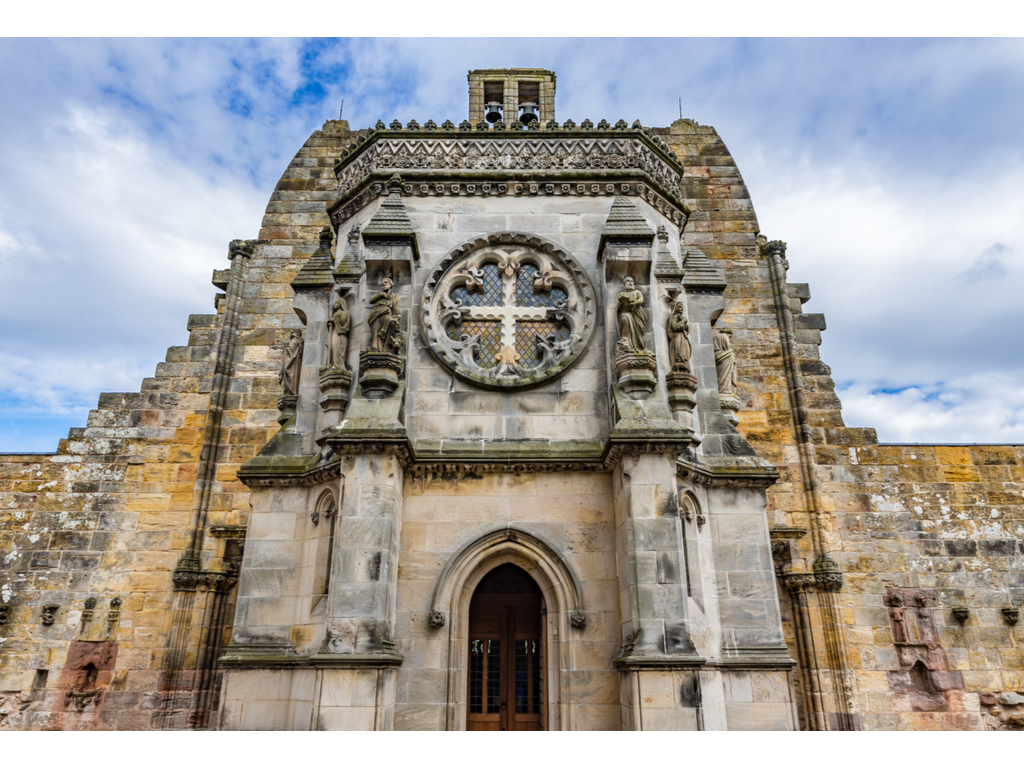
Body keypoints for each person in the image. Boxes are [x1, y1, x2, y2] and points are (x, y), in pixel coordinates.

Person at [368, 276, 402, 354]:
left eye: (385, 282)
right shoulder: (379, 295)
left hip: (387, 315)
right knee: (375, 331)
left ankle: (387, 347)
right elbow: (371, 300)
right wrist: (381, 295)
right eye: (382, 283)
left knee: (392, 323)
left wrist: (396, 317)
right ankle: (376, 349)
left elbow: (397, 310)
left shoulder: (394, 296)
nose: (383, 284)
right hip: (376, 315)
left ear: (390, 285)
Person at [616, 277, 649, 354]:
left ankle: (637, 346)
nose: (630, 283)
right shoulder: (622, 294)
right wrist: (622, 304)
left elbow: (641, 300)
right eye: (628, 281)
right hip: (626, 312)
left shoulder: (637, 292)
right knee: (625, 318)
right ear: (624, 284)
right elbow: (619, 306)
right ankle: (627, 341)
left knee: (637, 330)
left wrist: (634, 303)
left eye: (632, 281)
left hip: (637, 314)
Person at [325, 292, 351, 370]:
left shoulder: (345, 312)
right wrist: (329, 322)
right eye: (334, 303)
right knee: (332, 347)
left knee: (338, 348)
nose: (334, 304)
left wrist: (334, 319)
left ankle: (338, 366)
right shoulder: (334, 314)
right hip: (334, 332)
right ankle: (332, 364)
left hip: (340, 333)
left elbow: (344, 323)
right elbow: (331, 324)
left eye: (336, 302)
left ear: (341, 304)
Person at [666, 300, 691, 373]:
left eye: (682, 307)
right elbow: (675, 327)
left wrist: (684, 325)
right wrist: (683, 322)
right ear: (675, 308)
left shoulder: (681, 317)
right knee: (679, 354)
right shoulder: (673, 317)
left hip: (683, 337)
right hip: (678, 337)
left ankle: (685, 368)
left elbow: (686, 329)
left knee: (685, 354)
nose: (681, 309)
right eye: (679, 307)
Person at [713, 327, 737, 395]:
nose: (729, 338)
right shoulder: (724, 336)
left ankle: (721, 388)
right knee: (726, 373)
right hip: (725, 355)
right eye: (729, 337)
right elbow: (728, 347)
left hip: (717, 354)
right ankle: (725, 389)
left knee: (720, 374)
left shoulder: (715, 337)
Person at [279, 330, 304, 395]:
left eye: (292, 332)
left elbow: (290, 352)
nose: (291, 333)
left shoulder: (294, 341)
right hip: (293, 362)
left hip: (292, 363)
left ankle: (291, 391)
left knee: (290, 374)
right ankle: (291, 391)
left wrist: (286, 348)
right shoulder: (297, 341)